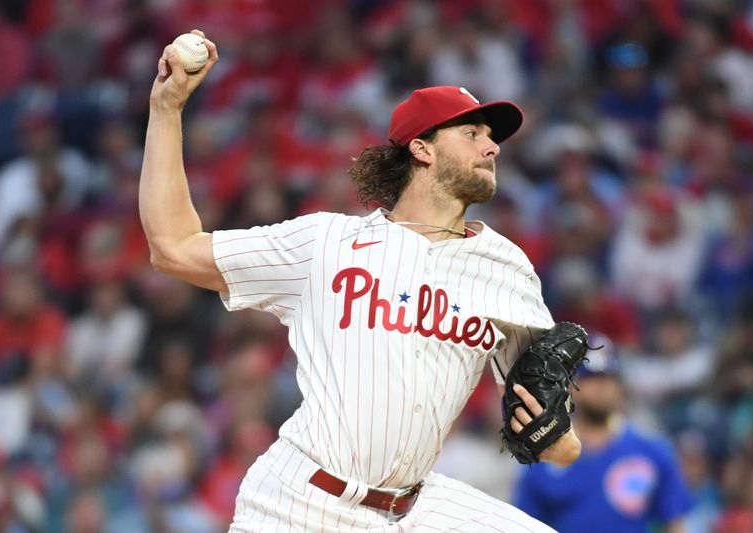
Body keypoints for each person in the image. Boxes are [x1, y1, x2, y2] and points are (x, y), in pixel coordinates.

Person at [140, 29, 581, 532]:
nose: (492, 148)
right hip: (300, 503)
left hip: (415, 508)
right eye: (473, 134)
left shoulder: (508, 268)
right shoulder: (326, 242)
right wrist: (166, 109)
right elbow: (173, 247)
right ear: (422, 149)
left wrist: (559, 437)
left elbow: (555, 432)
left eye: (492, 138)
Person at [512, 334, 692, 533]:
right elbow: (524, 526)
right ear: (570, 387)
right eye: (592, 379)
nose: (603, 388)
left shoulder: (652, 451)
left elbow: (674, 524)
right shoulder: (544, 456)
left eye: (609, 379)